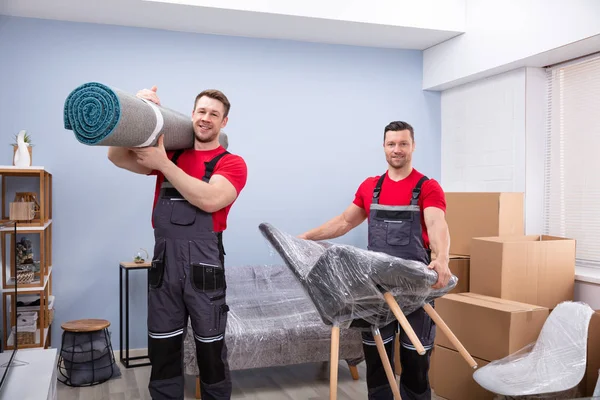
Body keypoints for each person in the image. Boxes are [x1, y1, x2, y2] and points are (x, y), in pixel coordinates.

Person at [107, 86, 247, 400]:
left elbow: (210, 200)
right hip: (164, 264)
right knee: (163, 349)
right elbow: (116, 155)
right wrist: (140, 108)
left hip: (204, 267)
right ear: (192, 114)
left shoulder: (231, 163)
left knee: (210, 352)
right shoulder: (171, 153)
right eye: (202, 111)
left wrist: (163, 164)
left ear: (224, 122)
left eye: (214, 114)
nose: (206, 118)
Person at [299, 121, 451, 400]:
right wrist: (308, 237)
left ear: (413, 146)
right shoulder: (371, 187)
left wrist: (442, 257)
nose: (397, 149)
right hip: (376, 290)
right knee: (377, 357)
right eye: (391, 144)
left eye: (403, 144)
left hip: (415, 289)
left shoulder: (427, 187)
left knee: (415, 358)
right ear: (384, 147)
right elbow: (345, 221)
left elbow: (436, 222)